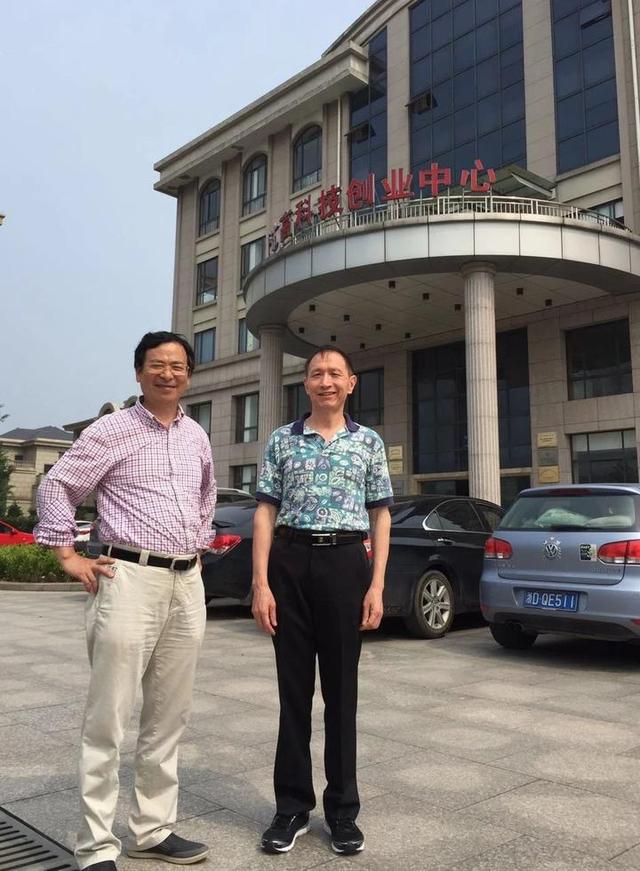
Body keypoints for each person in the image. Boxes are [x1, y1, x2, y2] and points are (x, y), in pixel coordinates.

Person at [34, 331, 216, 871]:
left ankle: (152, 830)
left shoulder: (196, 435)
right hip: (129, 577)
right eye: (157, 364)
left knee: (168, 716)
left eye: (178, 365)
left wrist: (197, 545)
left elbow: (206, 495)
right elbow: (58, 485)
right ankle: (96, 845)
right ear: (139, 372)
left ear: (189, 374)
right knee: (108, 718)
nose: (168, 373)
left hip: (186, 581)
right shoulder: (111, 429)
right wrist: (67, 555)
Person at [252, 346, 393, 856]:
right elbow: (265, 512)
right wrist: (261, 583)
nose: (326, 381)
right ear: (306, 383)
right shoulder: (282, 440)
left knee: (341, 694)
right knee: (293, 693)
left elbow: (380, 515)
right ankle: (291, 807)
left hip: (345, 566)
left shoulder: (368, 442)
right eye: (316, 374)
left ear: (351, 383)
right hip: (290, 563)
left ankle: (342, 812)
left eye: (335, 373)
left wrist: (376, 585)